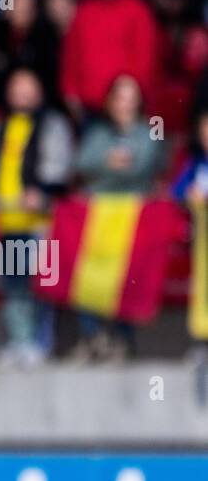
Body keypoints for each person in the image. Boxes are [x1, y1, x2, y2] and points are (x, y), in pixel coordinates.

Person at [0, 69, 73, 366]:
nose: (23, 93)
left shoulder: (53, 125)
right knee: (13, 283)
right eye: (17, 87)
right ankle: (19, 340)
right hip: (7, 219)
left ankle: (40, 342)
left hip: (39, 219)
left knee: (40, 282)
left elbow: (60, 165)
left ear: (40, 92)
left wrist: (40, 192)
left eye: (29, 87)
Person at [70, 73, 162, 361]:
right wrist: (111, 163)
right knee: (88, 277)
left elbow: (143, 166)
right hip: (97, 219)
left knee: (127, 279)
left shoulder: (151, 131)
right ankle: (93, 337)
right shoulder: (97, 132)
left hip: (133, 220)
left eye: (130, 97)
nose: (124, 103)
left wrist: (104, 167)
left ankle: (123, 341)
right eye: (119, 96)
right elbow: (81, 163)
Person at [60, 0, 158, 121]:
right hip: (88, 105)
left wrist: (135, 95)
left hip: (126, 106)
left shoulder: (138, 10)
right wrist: (70, 92)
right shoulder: (84, 9)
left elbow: (145, 60)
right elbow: (71, 55)